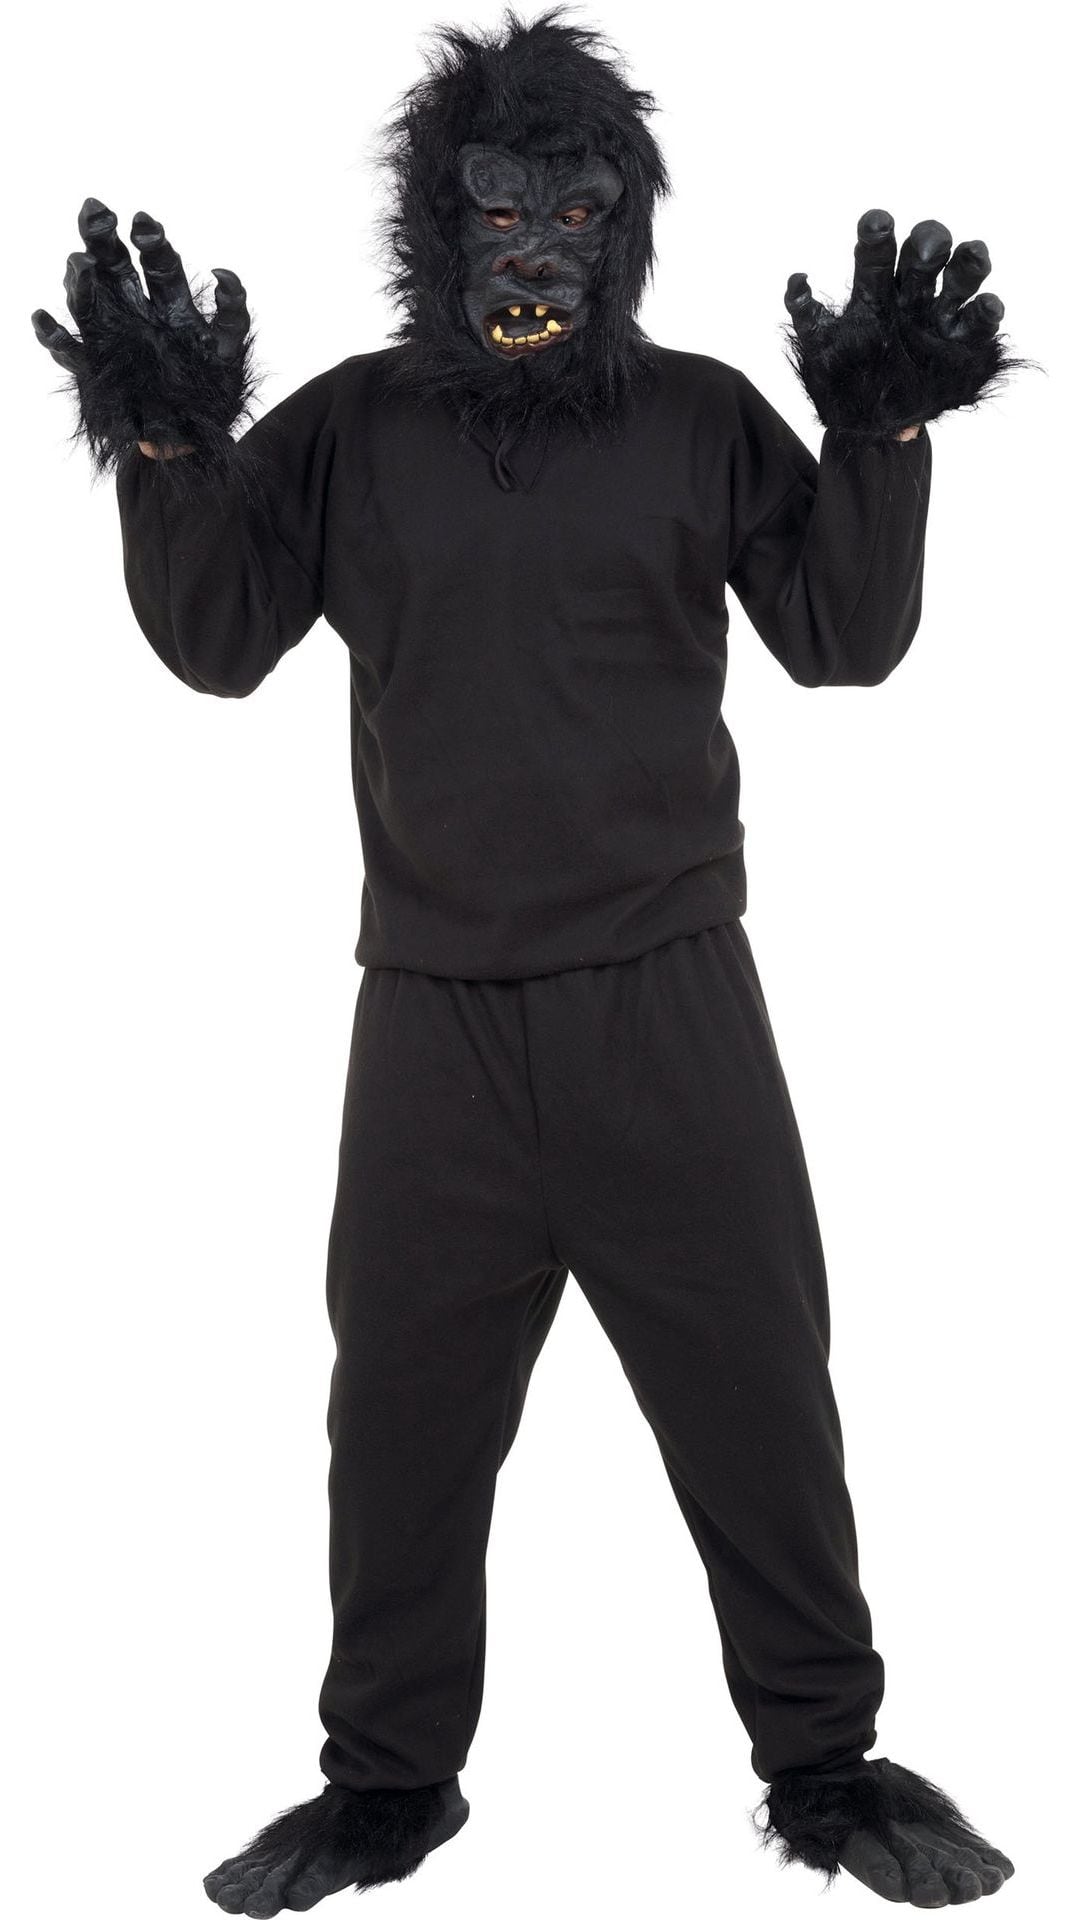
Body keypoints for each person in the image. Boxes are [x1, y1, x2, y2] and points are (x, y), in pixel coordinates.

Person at [32, 8, 1025, 1912]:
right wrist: (164, 440)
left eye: (574, 211)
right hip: (433, 1020)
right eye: (499, 207)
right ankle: (387, 1787)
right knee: (398, 1421)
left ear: (622, 227)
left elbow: (843, 639)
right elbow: (218, 640)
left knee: (760, 1397)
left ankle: (827, 1768)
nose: (537, 250)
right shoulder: (353, 428)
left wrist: (882, 431)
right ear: (437, 220)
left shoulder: (698, 417)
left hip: (673, 1002)